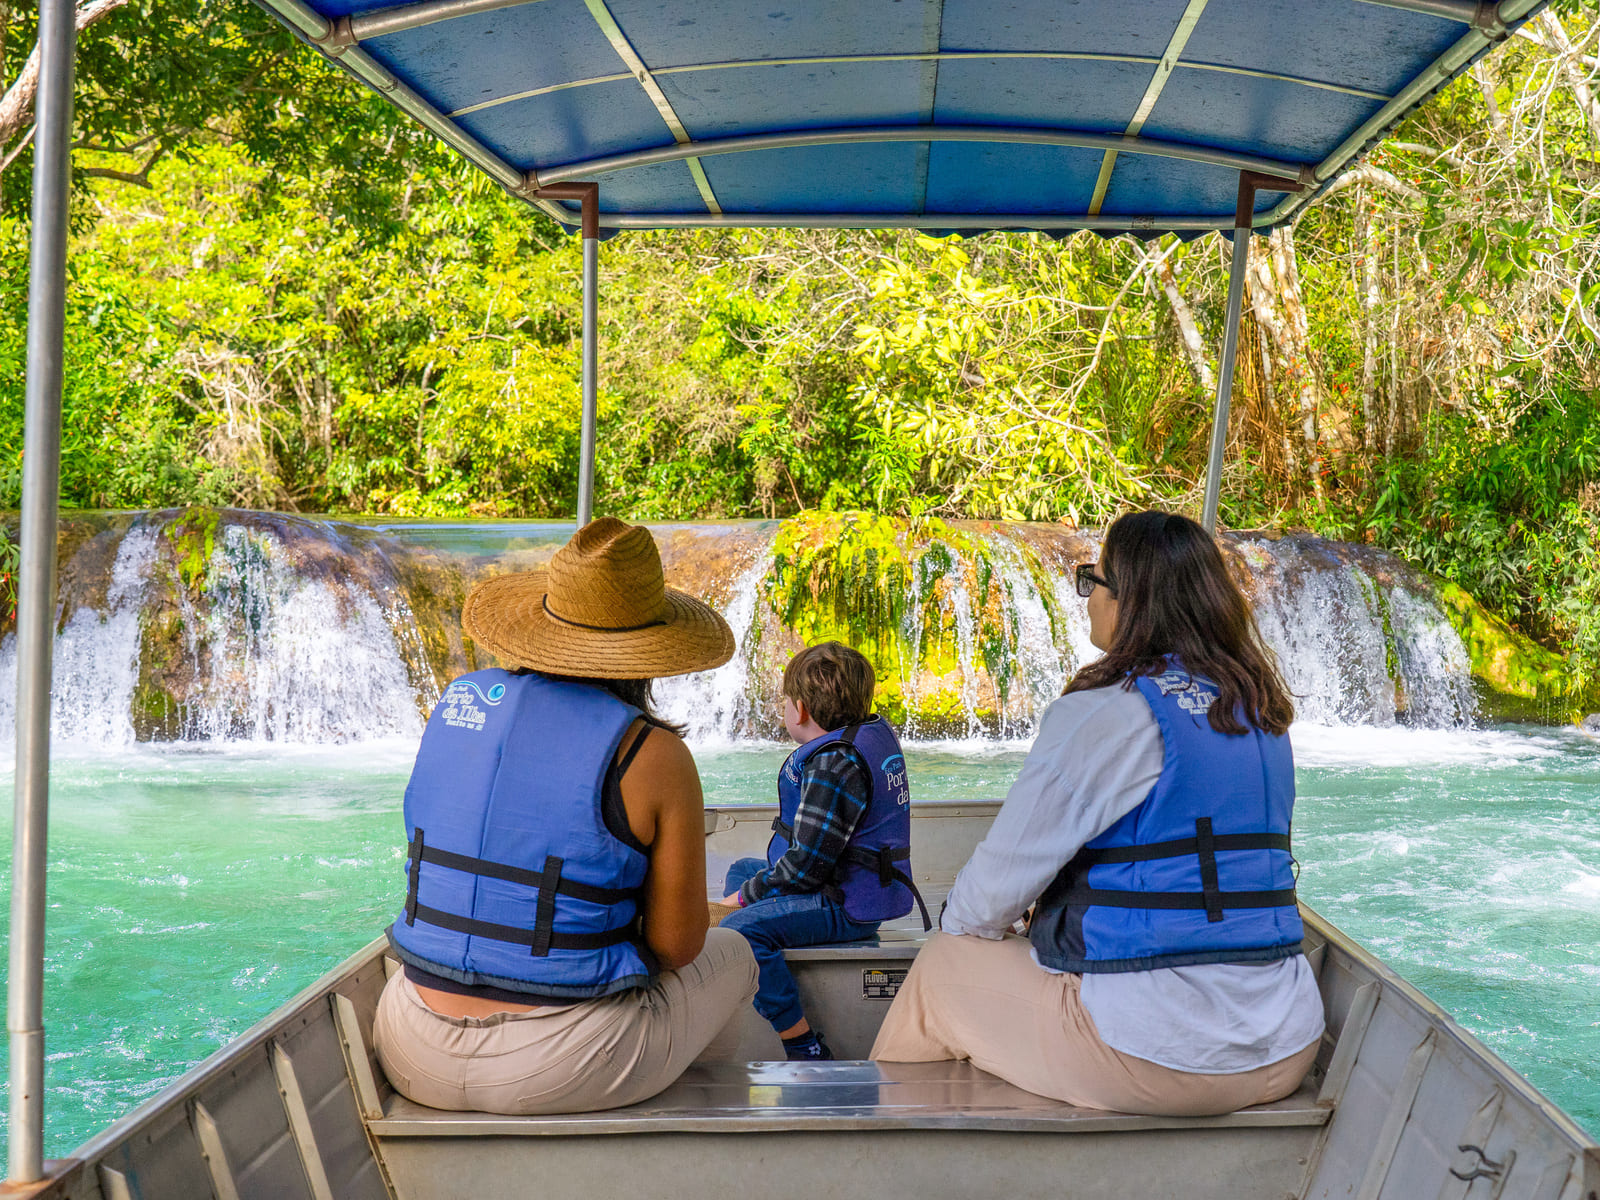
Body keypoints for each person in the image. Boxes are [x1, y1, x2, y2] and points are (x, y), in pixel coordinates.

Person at [871, 510, 1324, 1116]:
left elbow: (980, 908)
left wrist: (1008, 928)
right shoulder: (1261, 713)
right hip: (1289, 1040)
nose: (1087, 599)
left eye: (1095, 579)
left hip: (1162, 1056)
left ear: (1130, 598)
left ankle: (881, 1152)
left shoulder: (1106, 713)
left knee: (943, 965)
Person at [373, 517, 759, 1115]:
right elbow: (678, 946)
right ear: (647, 649)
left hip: (409, 1044)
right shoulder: (652, 753)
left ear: (539, 627)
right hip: (562, 1063)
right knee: (734, 954)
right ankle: (687, 1146)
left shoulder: (457, 704)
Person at [716, 641, 929, 1060]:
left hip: (845, 905)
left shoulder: (834, 765)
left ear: (799, 710)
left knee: (739, 929)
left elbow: (804, 869)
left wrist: (743, 900)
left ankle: (801, 1041)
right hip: (841, 883)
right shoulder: (860, 740)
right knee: (743, 868)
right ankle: (763, 967)